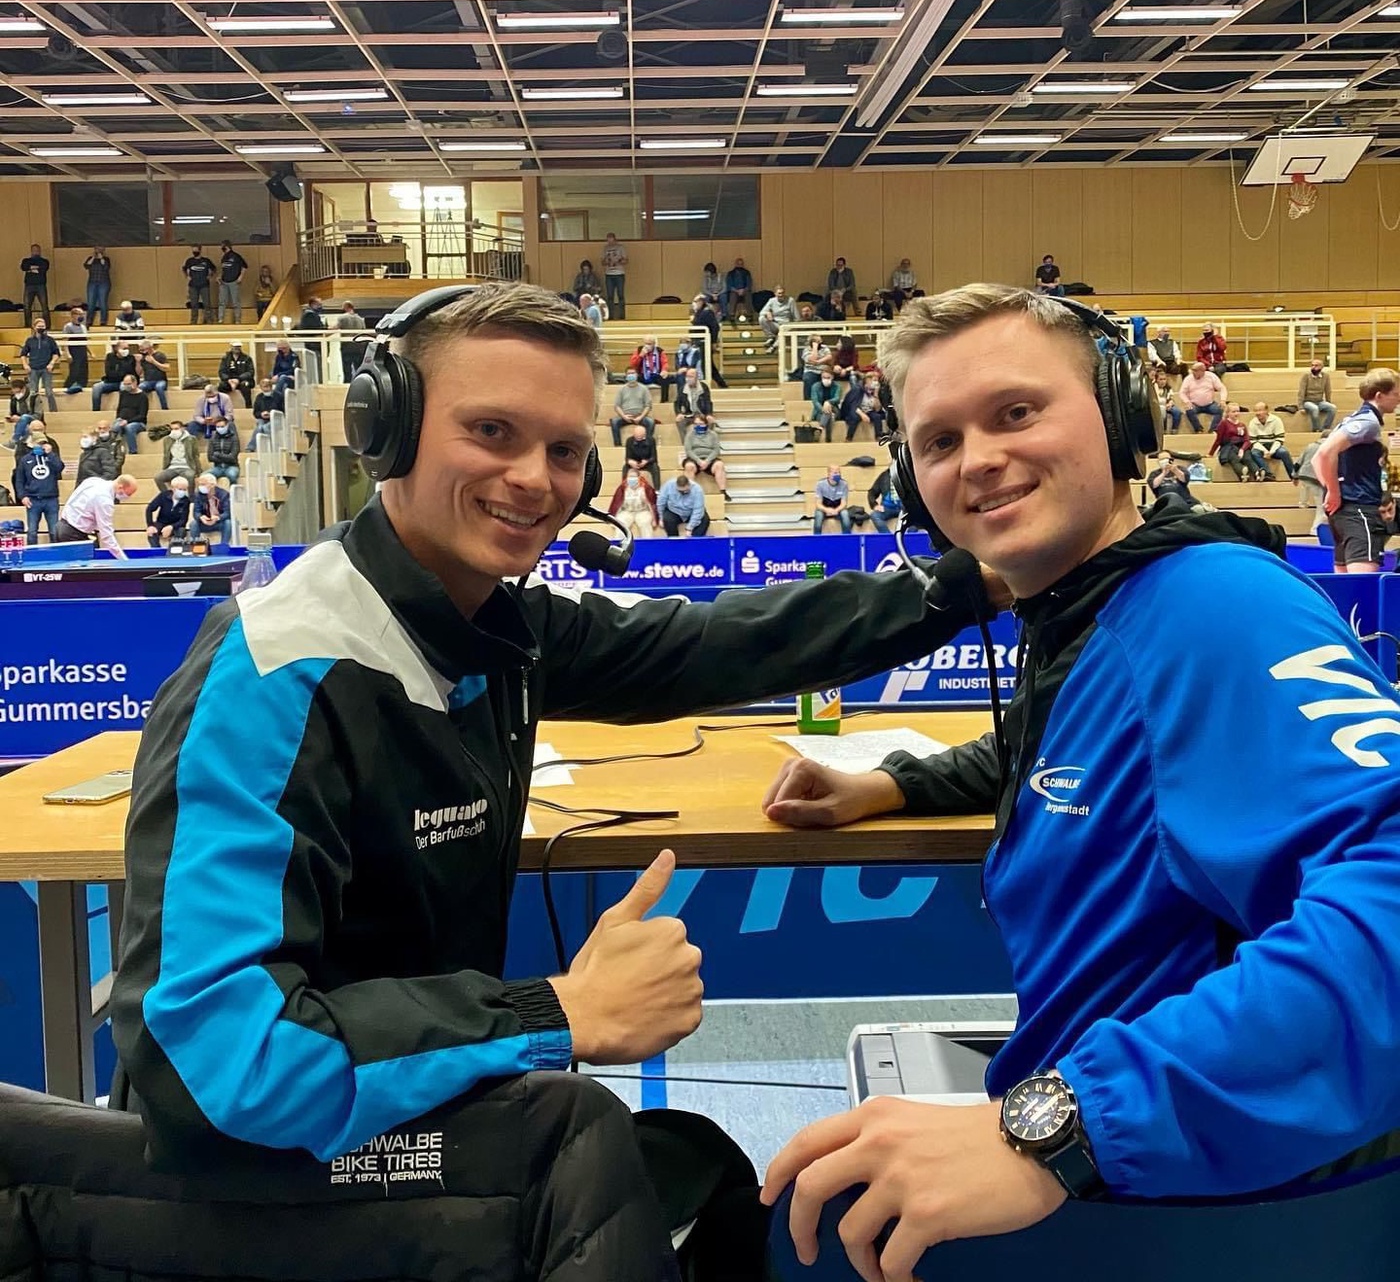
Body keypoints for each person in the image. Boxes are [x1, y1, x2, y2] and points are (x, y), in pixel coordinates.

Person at [108, 282, 977, 1281]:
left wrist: (962, 584)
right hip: (266, 1177)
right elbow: (216, 1063)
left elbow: (715, 640)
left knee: (696, 1169)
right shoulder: (276, 673)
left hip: (401, 1117)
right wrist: (552, 1010)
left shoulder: (496, 626)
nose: (534, 478)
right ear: (385, 428)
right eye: (491, 431)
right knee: (610, 1141)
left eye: (564, 449)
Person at [761, 283, 1400, 1279]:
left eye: (1015, 411)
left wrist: (1053, 1127)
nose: (976, 457)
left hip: (1198, 1204)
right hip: (1149, 1163)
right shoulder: (1098, 610)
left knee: (769, 1209)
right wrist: (891, 782)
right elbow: (1069, 746)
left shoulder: (1219, 609)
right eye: (937, 440)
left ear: (1118, 418)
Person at [1312, 368, 1400, 574]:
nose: (1398, 400)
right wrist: (1334, 491)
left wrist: (1333, 490)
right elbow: (1325, 454)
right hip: (1360, 510)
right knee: (1363, 586)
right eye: (1396, 394)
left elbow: (1317, 459)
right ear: (1380, 395)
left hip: (1344, 513)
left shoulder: (1352, 419)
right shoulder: (1367, 423)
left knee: (1347, 587)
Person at [57, 472, 138, 556]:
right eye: (128, 494)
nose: (128, 497)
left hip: (61, 525)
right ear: (120, 487)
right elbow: (106, 535)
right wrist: (123, 559)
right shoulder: (105, 501)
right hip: (74, 534)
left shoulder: (93, 481)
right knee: (80, 567)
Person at [15, 432, 63, 544]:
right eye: (39, 443)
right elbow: (19, 480)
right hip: (33, 499)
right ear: (32, 444)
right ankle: (32, 555)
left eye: (43, 443)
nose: (41, 445)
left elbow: (59, 468)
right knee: (32, 531)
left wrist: (50, 454)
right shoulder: (25, 459)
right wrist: (22, 496)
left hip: (51, 499)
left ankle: (57, 555)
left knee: (54, 531)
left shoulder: (51, 457)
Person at [1212, 403, 1267, 482]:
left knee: (1248, 457)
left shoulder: (1242, 425)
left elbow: (1247, 440)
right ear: (1228, 413)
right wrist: (1211, 453)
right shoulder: (1223, 423)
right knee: (1235, 459)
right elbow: (1218, 440)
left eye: (1238, 411)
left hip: (1241, 446)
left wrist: (1242, 449)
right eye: (1233, 412)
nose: (1236, 413)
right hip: (1229, 447)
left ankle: (1257, 473)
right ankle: (1243, 472)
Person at [20, 316, 60, 412]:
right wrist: (25, 365)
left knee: (49, 392)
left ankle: (53, 411)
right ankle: (33, 411)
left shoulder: (50, 340)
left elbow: (56, 353)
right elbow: (23, 354)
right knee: (33, 392)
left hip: (46, 368)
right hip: (33, 368)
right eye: (39, 326)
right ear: (34, 327)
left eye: (43, 326)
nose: (41, 328)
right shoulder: (29, 340)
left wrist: (52, 363)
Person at [607, 469, 659, 539]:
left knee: (645, 522)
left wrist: (654, 520)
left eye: (634, 476)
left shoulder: (646, 488)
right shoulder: (622, 488)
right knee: (621, 523)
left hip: (642, 511)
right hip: (626, 511)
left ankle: (648, 544)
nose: (631, 479)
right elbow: (616, 504)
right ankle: (619, 545)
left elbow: (652, 504)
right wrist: (612, 519)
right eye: (630, 476)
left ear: (639, 477)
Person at [1250, 401, 1295, 480]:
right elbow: (1254, 441)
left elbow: (1279, 439)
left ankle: (1293, 475)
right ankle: (1268, 474)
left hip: (1274, 445)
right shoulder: (1252, 423)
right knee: (1254, 453)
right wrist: (1265, 451)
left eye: (1260, 410)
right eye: (1256, 410)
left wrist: (1271, 452)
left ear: (1267, 411)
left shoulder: (1276, 420)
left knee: (1284, 452)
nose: (1258, 413)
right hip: (1261, 446)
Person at [657, 470, 710, 536]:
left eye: (685, 491)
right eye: (680, 491)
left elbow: (698, 510)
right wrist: (661, 518)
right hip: (674, 511)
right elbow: (661, 503)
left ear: (689, 485)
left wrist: (690, 528)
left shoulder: (697, 489)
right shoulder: (668, 485)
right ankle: (675, 542)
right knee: (667, 519)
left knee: (705, 519)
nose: (683, 493)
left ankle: (694, 543)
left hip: (691, 512)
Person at [1179, 360, 1226, 433]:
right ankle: (1198, 429)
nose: (1192, 372)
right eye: (1192, 370)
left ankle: (1213, 429)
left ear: (1202, 371)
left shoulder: (1211, 376)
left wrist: (1223, 400)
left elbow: (1222, 388)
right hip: (1194, 404)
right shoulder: (1188, 378)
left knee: (1220, 409)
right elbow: (1182, 392)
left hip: (1210, 404)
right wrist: (1187, 401)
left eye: (1195, 370)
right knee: (1189, 410)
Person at [155, 420, 203, 492]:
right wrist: (164, 468)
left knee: (190, 476)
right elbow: (166, 456)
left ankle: (191, 499)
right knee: (158, 478)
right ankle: (167, 496)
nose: (174, 431)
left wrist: (198, 471)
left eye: (176, 429)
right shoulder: (167, 440)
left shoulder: (191, 439)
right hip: (172, 467)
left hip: (187, 467)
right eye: (172, 429)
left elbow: (195, 455)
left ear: (182, 429)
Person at [609, 370, 654, 446]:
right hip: (625, 416)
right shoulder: (621, 389)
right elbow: (617, 406)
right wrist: (624, 416)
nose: (631, 375)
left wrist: (640, 417)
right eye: (629, 374)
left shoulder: (644, 389)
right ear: (626, 377)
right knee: (614, 422)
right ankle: (617, 445)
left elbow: (648, 406)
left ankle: (647, 444)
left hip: (640, 416)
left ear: (637, 375)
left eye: (633, 373)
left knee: (650, 422)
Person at [681, 418, 727, 492]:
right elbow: (688, 450)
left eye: (700, 424)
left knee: (720, 464)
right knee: (689, 466)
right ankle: (688, 492)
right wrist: (699, 461)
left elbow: (716, 450)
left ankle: (723, 491)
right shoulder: (689, 435)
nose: (698, 426)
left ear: (706, 424)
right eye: (696, 424)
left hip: (709, 458)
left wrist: (707, 461)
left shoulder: (713, 434)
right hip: (694, 458)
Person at [92, 338, 137, 412]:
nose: (126, 350)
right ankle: (96, 410)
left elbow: (130, 372)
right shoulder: (110, 357)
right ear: (117, 348)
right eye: (124, 348)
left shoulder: (131, 358)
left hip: (123, 382)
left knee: (124, 387)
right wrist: (121, 374)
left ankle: (122, 410)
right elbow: (109, 372)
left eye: (127, 348)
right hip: (110, 382)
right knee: (96, 387)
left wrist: (120, 371)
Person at [188, 471, 231, 546]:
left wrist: (218, 518)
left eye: (203, 484)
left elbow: (227, 513)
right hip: (205, 522)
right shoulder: (198, 495)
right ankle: (196, 546)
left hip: (219, 522)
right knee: (193, 524)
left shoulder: (224, 494)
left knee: (228, 523)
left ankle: (224, 545)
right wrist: (201, 517)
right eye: (199, 484)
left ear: (212, 485)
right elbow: (196, 512)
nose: (200, 487)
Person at [843, 371, 887, 442]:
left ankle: (878, 436)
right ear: (867, 380)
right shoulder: (857, 389)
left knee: (877, 417)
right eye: (874, 380)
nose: (876, 383)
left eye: (877, 381)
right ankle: (849, 438)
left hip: (869, 411)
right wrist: (862, 415)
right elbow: (853, 406)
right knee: (855, 418)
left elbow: (877, 409)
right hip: (857, 410)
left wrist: (876, 394)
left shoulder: (877, 391)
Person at [690, 296, 725, 386]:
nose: (694, 303)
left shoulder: (707, 312)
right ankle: (722, 384)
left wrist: (713, 342)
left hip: (705, 342)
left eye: (695, 301)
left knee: (706, 365)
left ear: (701, 301)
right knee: (708, 365)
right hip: (698, 342)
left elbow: (714, 327)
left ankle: (713, 384)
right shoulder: (698, 312)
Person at [145, 478, 191, 547]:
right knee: (152, 532)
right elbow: (150, 509)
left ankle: (174, 550)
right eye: (180, 489)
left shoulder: (186, 501)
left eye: (184, 490)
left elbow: (183, 520)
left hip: (176, 526)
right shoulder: (163, 495)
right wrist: (150, 525)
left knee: (181, 531)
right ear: (173, 488)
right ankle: (157, 550)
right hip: (161, 523)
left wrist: (171, 527)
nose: (182, 492)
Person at [113, 373, 150, 454]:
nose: (126, 386)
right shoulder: (123, 393)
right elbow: (119, 408)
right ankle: (115, 451)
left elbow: (142, 415)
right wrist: (118, 418)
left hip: (138, 422)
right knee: (115, 427)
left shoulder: (143, 396)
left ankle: (133, 451)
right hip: (122, 419)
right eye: (125, 384)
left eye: (128, 384)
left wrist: (127, 421)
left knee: (129, 428)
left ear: (135, 383)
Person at [674, 366, 714, 440]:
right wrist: (679, 413)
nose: (688, 379)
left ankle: (707, 441)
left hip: (701, 414)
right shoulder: (682, 388)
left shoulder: (704, 387)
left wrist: (709, 414)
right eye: (687, 376)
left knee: (711, 421)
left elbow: (708, 402)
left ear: (696, 378)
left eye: (691, 377)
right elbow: (677, 403)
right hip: (688, 414)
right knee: (679, 422)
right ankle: (686, 444)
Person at [1297, 358, 1337, 431]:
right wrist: (1301, 407)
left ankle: (1325, 428)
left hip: (1320, 401)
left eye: (1316, 366)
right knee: (1315, 409)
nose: (1313, 367)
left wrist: (1328, 402)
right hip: (1308, 401)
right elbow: (1301, 391)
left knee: (1333, 408)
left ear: (1321, 367)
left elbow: (1328, 390)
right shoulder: (1306, 376)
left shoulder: (1326, 376)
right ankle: (1316, 429)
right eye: (1312, 365)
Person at [811, 464, 851, 535]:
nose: (838, 474)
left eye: (839, 472)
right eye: (835, 473)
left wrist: (836, 510)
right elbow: (818, 504)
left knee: (845, 514)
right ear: (829, 474)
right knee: (818, 516)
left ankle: (847, 538)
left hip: (838, 508)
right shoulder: (820, 484)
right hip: (824, 509)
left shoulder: (844, 484)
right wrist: (827, 510)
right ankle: (816, 540)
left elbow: (844, 503)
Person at [182, 245, 217, 325]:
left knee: (207, 304)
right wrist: (187, 276)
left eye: (196, 250)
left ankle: (209, 321)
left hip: (204, 285)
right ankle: (193, 322)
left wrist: (210, 276)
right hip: (193, 285)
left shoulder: (206, 261)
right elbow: (184, 269)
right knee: (194, 304)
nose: (194, 252)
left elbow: (214, 269)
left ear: (200, 250)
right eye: (193, 250)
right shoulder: (189, 261)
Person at [335, 301, 368, 384]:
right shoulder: (360, 319)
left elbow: (335, 328)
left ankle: (347, 385)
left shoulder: (342, 318)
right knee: (359, 368)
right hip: (359, 347)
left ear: (346, 307)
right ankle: (360, 384)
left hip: (347, 346)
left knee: (347, 370)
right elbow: (363, 332)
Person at [630, 336, 669, 404]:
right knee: (633, 378)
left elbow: (665, 363)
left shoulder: (660, 351)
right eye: (646, 343)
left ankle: (664, 401)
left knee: (666, 379)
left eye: (649, 344)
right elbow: (633, 365)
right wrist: (641, 355)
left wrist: (664, 370)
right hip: (643, 374)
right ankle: (636, 401)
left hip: (656, 374)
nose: (647, 345)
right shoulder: (639, 350)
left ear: (654, 344)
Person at [760, 285, 798, 352]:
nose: (781, 295)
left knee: (783, 332)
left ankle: (773, 347)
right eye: (779, 293)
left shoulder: (790, 300)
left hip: (786, 325)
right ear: (775, 294)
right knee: (762, 318)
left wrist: (794, 326)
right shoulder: (771, 300)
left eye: (782, 293)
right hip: (775, 323)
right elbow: (762, 312)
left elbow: (796, 316)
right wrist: (767, 313)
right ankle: (770, 337)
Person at [219, 341, 257, 408]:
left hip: (243, 381)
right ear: (231, 347)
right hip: (230, 381)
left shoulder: (247, 358)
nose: (237, 348)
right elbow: (221, 372)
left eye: (239, 347)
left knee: (245, 385)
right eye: (235, 347)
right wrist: (228, 380)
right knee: (221, 386)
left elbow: (250, 372)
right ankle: (222, 406)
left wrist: (238, 379)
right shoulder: (225, 358)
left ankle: (248, 406)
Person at [218, 239, 248, 324]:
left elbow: (245, 266)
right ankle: (220, 319)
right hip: (224, 281)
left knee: (236, 302)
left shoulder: (236, 256)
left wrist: (240, 277)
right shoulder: (223, 257)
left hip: (234, 281)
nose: (221, 248)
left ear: (226, 246)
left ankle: (237, 319)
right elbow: (224, 269)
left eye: (222, 246)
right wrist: (220, 277)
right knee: (222, 301)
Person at [808, 369, 842, 443]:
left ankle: (820, 428)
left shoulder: (837, 386)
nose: (825, 379)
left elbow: (837, 398)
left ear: (832, 377)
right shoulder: (815, 386)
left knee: (830, 409)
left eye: (828, 377)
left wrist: (828, 402)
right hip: (819, 412)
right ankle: (828, 439)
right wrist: (823, 409)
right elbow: (815, 401)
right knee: (829, 416)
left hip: (835, 410)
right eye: (824, 377)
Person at [623, 421, 660, 489]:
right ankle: (623, 488)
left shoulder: (651, 440)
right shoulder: (629, 441)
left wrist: (647, 461)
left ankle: (657, 489)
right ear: (634, 434)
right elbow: (627, 458)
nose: (638, 439)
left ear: (644, 435)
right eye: (637, 437)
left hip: (647, 463)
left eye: (640, 437)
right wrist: (630, 461)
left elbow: (654, 457)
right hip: (634, 463)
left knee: (655, 467)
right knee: (625, 467)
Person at [865, 466, 901, 533]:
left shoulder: (907, 475)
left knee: (915, 517)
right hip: (887, 508)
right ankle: (888, 538)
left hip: (904, 509)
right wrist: (874, 505)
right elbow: (872, 492)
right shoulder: (884, 476)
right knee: (875, 515)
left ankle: (908, 540)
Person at [20, 243, 49, 325]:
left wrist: (30, 269)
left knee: (44, 306)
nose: (36, 252)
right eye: (34, 250)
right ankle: (28, 326)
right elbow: (23, 267)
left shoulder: (44, 261)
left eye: (37, 250)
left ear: (40, 251)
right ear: (31, 251)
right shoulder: (26, 260)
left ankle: (47, 325)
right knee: (26, 306)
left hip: (41, 285)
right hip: (29, 285)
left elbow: (44, 268)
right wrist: (36, 268)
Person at [207, 416, 241, 485]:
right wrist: (225, 457)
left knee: (232, 475)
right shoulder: (213, 438)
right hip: (217, 467)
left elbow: (233, 458)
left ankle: (234, 494)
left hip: (232, 466)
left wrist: (218, 455)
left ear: (227, 426)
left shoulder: (234, 438)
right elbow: (210, 457)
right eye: (218, 427)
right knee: (205, 477)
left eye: (222, 426)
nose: (220, 429)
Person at [601, 232, 627, 319]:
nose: (610, 242)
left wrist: (617, 262)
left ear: (614, 239)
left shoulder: (620, 247)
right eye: (608, 240)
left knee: (620, 295)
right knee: (610, 296)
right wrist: (608, 262)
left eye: (611, 239)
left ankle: (622, 315)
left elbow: (626, 260)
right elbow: (602, 262)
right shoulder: (605, 248)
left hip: (619, 273)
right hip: (609, 274)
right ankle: (610, 316)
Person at [84, 245, 112, 324]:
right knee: (90, 302)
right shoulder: (90, 258)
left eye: (100, 249)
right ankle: (89, 320)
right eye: (96, 249)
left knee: (102, 302)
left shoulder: (106, 259)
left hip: (103, 283)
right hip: (92, 282)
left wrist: (101, 258)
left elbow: (106, 266)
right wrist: (93, 257)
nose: (98, 251)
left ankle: (103, 321)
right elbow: (86, 266)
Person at [138, 342, 170, 411]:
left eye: (143, 350)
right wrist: (138, 362)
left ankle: (164, 408)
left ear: (150, 348)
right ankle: (142, 408)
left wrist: (154, 362)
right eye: (141, 350)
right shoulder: (143, 358)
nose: (142, 352)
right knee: (141, 387)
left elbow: (167, 368)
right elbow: (139, 372)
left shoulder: (160, 355)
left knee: (159, 387)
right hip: (148, 381)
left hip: (160, 380)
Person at [1152, 365, 1182, 433]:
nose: (1163, 381)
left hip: (1167, 405)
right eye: (1160, 379)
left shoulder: (1168, 388)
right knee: (1162, 410)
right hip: (1157, 406)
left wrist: (1170, 404)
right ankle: (1163, 430)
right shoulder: (1152, 388)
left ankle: (1174, 429)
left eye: (1164, 379)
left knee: (1177, 411)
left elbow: (1171, 398)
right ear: (1156, 380)